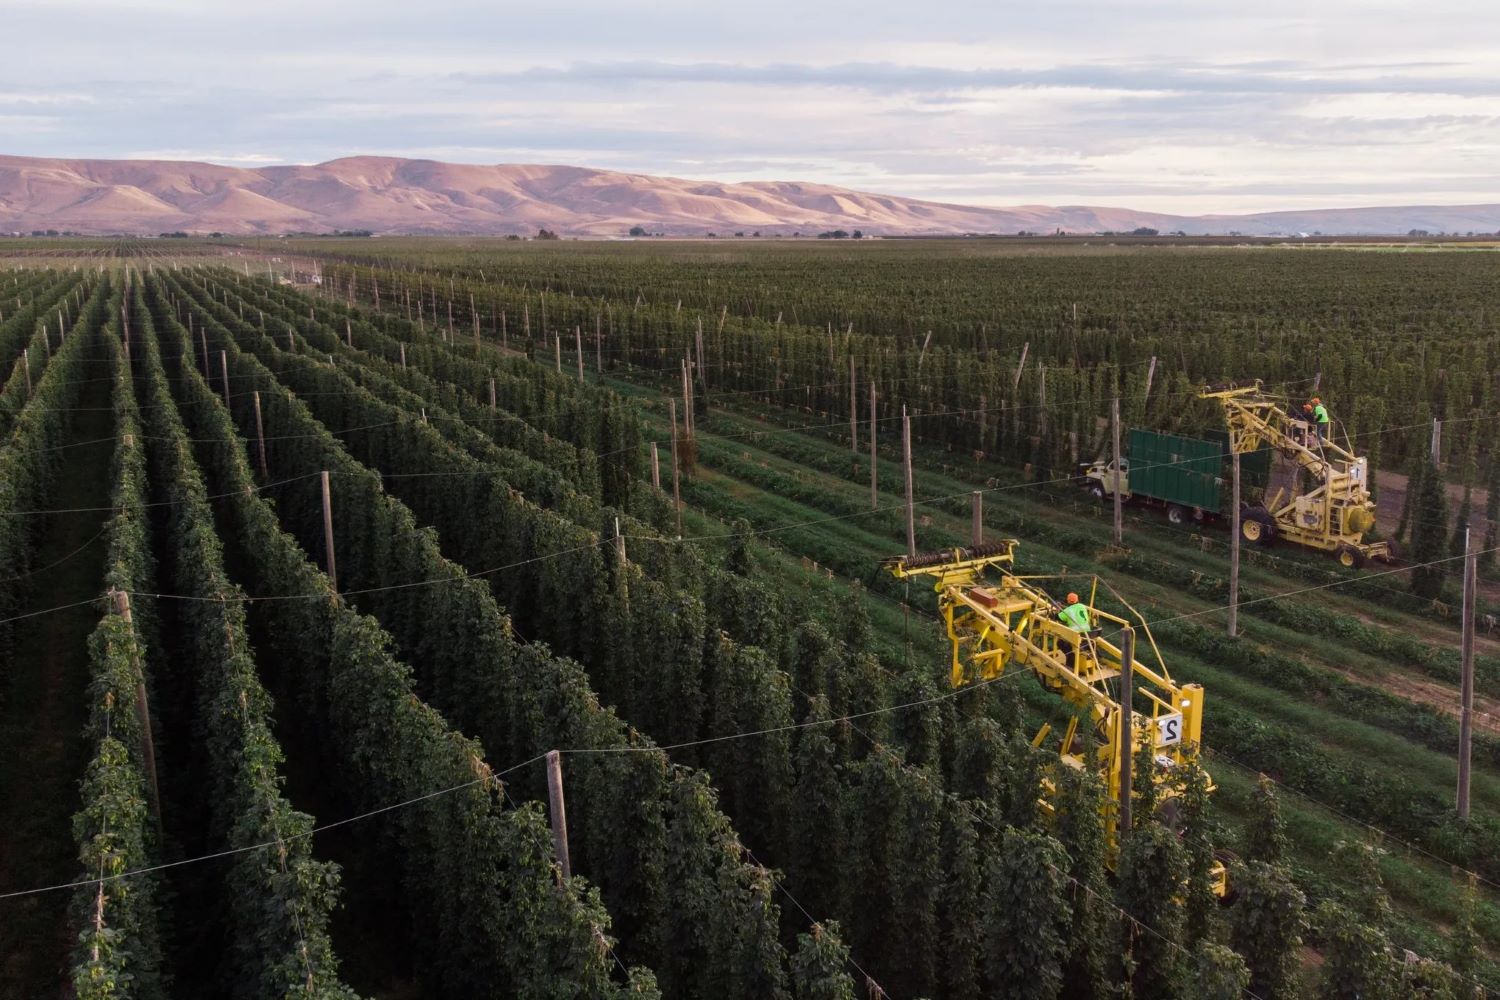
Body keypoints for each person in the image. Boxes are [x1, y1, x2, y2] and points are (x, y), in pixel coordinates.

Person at [1057, 592, 1094, 667]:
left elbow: (1057, 617)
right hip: (1088, 634)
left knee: (1060, 642)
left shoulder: (1067, 610)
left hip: (1076, 634)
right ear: (1077, 600)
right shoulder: (1082, 606)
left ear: (1068, 600)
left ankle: (1070, 660)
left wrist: (1057, 610)